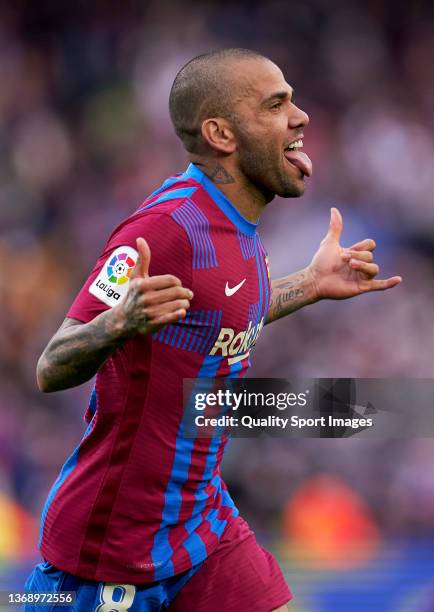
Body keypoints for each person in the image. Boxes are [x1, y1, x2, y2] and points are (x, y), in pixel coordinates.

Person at [25, 48, 401, 612]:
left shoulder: (240, 223)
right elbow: (51, 365)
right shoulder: (164, 228)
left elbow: (218, 314)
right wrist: (116, 324)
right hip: (115, 542)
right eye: (276, 105)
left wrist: (310, 283)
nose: (299, 117)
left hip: (202, 522)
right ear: (221, 133)